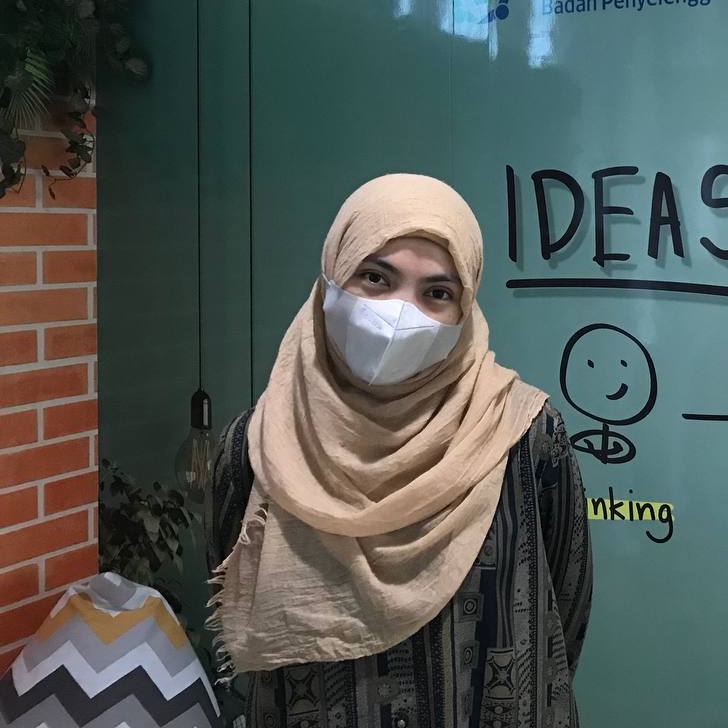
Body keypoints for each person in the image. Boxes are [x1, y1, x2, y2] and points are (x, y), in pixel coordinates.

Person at [206, 174, 593, 728]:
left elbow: (564, 611)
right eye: (375, 277)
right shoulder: (257, 447)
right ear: (332, 277)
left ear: (465, 308)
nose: (398, 314)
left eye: (437, 293)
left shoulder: (524, 435)